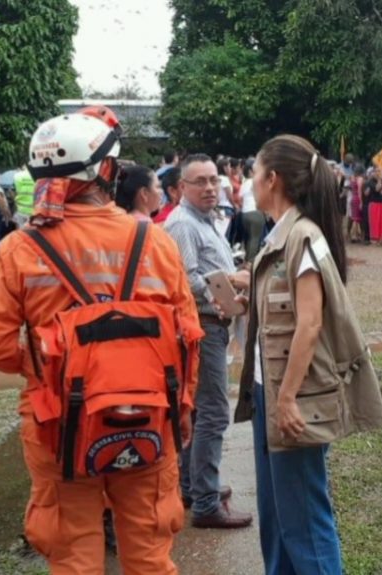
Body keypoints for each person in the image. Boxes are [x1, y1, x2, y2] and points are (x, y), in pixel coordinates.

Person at [0, 107, 200, 572]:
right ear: (107, 171)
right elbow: (187, 338)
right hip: (147, 417)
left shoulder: (20, 248)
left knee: (74, 554)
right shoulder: (155, 241)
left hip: (60, 425)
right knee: (150, 552)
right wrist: (182, 410)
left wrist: (51, 363)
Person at [234, 135, 382, 574]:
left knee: (304, 520)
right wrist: (249, 287)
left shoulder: (303, 236)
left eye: (254, 173)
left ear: (273, 178)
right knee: (277, 519)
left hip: (292, 399)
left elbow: (310, 323)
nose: (250, 182)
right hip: (269, 394)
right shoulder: (281, 235)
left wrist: (286, 399)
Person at [164, 154, 254, 529]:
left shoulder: (208, 219)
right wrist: (230, 288)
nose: (209, 188)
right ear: (181, 187)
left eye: (213, 180)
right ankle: (205, 501)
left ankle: (194, 486)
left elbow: (207, 271)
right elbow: (185, 280)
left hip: (211, 325)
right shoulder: (183, 224)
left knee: (200, 412)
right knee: (214, 413)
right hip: (202, 328)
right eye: (199, 181)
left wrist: (231, 285)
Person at [238, 158, 267, 261]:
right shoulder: (255, 182)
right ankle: (250, 261)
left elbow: (240, 199)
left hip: (245, 213)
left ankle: (247, 259)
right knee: (255, 238)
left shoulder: (244, 183)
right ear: (251, 171)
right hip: (255, 212)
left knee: (248, 238)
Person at [366, 169, 382, 245]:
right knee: (375, 220)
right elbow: (377, 189)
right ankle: (374, 238)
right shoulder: (370, 182)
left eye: (380, 171)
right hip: (374, 202)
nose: (378, 173)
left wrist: (381, 181)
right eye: (376, 171)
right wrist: (379, 181)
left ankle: (381, 237)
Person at [13, 163, 36, 228]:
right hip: (34, 211)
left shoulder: (17, 175)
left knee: (21, 233)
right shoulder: (38, 174)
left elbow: (13, 191)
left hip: (21, 210)